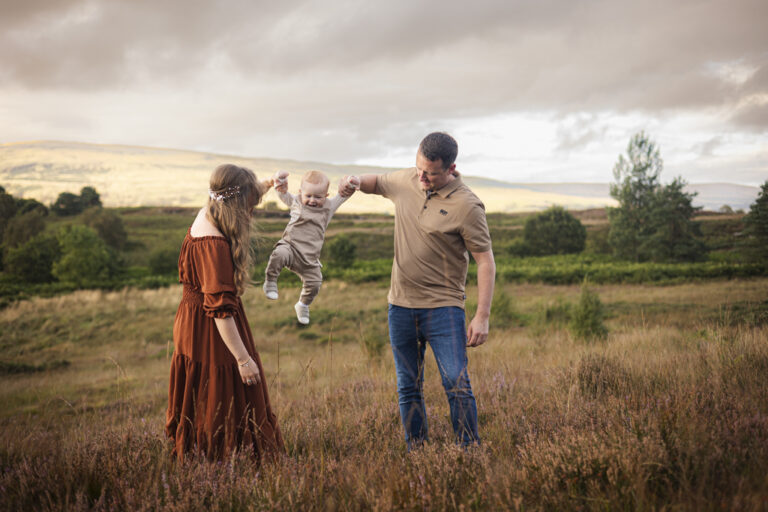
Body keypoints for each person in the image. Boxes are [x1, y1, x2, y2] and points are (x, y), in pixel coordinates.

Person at [340, 132, 496, 449]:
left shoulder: (467, 206)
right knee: (408, 385)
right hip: (400, 307)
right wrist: (353, 181)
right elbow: (375, 183)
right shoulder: (407, 179)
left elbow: (485, 262)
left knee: (456, 383)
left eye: (431, 173)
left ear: (451, 168)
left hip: (443, 308)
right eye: (419, 168)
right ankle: (419, 452)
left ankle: (469, 450)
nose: (421, 177)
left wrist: (481, 317)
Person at [166, 163, 284, 461]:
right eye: (248, 202)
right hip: (211, 327)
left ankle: (201, 456)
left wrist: (269, 182)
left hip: (192, 319)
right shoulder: (214, 244)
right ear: (237, 202)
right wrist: (243, 359)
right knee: (223, 388)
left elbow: (242, 193)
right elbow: (221, 312)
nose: (250, 209)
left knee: (204, 389)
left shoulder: (210, 209)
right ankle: (226, 460)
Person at [263, 170, 359, 325]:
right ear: (301, 193)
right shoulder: (296, 201)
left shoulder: (329, 208)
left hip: (309, 258)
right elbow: (283, 194)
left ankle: (303, 304)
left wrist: (351, 183)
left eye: (318, 197)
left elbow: (343, 196)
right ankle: (271, 281)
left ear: (326, 196)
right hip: (290, 248)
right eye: (308, 196)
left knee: (315, 283)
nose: (312, 200)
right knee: (278, 254)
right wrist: (280, 181)